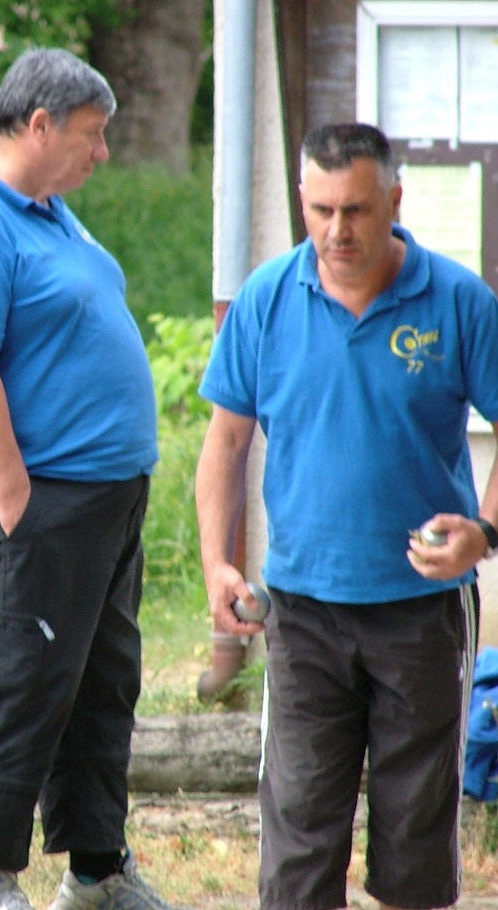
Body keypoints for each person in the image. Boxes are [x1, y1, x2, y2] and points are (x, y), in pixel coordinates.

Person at [195, 123, 498, 910]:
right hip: (302, 609)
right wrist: (217, 565)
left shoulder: (460, 301)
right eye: (321, 208)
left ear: (394, 201)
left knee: (415, 835)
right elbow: (224, 444)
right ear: (302, 200)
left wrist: (485, 532)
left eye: (357, 210)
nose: (337, 230)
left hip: (421, 613)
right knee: (298, 835)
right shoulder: (267, 297)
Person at [0, 48, 172, 910]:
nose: (102, 154)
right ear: (38, 125)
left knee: (100, 683)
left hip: (100, 496)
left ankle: (97, 868)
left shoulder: (47, 211)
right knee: (20, 683)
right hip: (31, 499)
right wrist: (15, 494)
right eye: (92, 136)